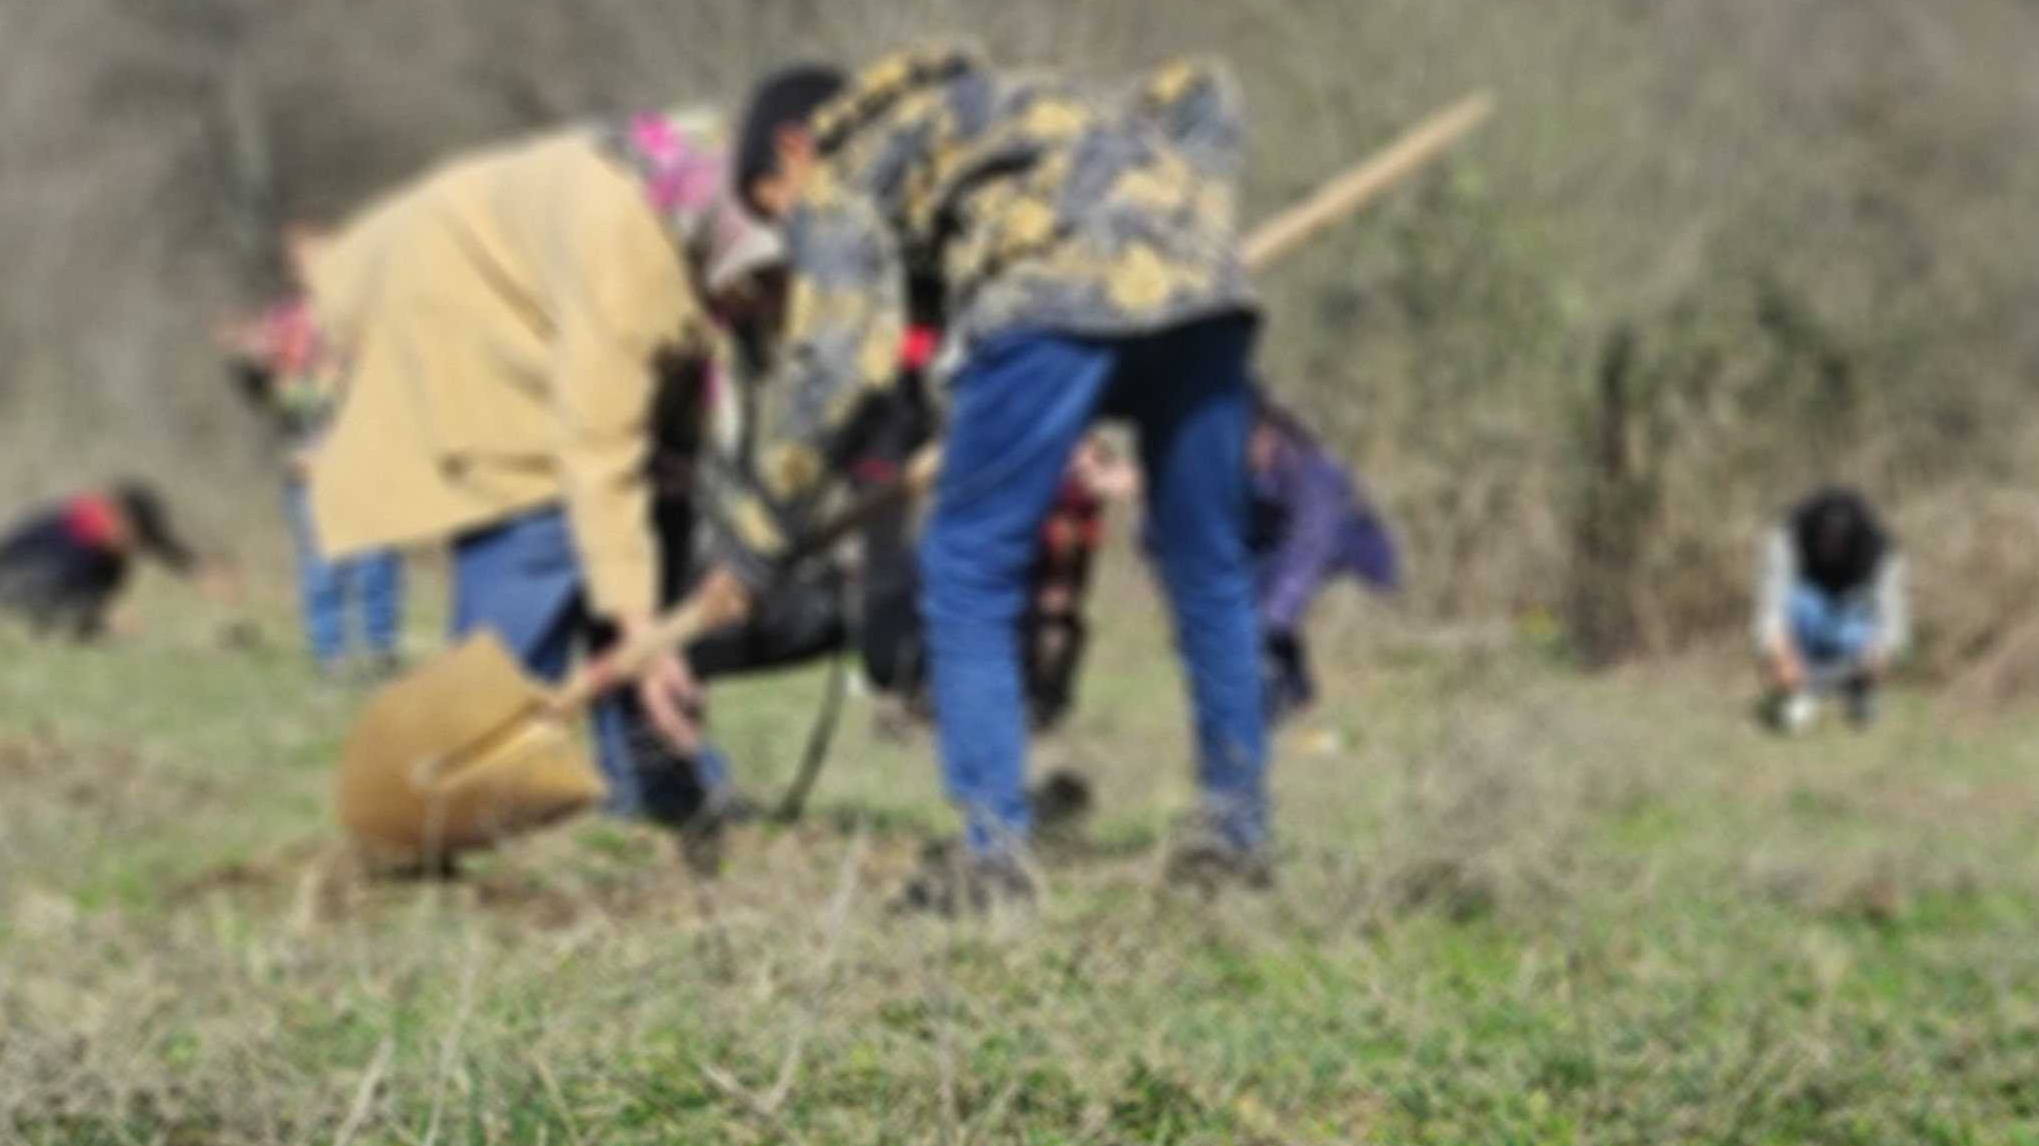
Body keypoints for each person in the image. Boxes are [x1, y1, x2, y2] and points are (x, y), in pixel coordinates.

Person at [718, 49, 1268, 912]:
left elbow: (839, 365)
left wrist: (754, 541)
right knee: (1209, 565)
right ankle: (1238, 838)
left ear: (790, 150)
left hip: (1048, 292)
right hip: (1205, 278)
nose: (790, 238)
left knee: (968, 566)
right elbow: (1199, 87)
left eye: (772, 209)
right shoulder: (1011, 105)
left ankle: (993, 858)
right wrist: (1180, 215)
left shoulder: (838, 174)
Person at [305, 109, 776, 827]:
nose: (767, 301)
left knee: (651, 531)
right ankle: (454, 792)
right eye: (759, 283)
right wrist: (644, 638)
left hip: (557, 327)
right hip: (474, 327)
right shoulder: (627, 261)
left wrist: (677, 483)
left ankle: (650, 784)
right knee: (542, 533)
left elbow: (685, 366)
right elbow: (599, 452)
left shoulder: (716, 200)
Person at [223, 226, 401, 677]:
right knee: (320, 565)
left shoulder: (366, 315)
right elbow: (266, 397)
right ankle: (331, 656)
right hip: (306, 464)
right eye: (304, 257)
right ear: (291, 265)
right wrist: (245, 365)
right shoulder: (279, 322)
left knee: (374, 562)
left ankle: (380, 650)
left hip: (369, 459)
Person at [1248, 397, 1395, 727]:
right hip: (1285, 570)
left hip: (1354, 570)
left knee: (1262, 606)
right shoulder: (1257, 471)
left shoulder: (1309, 473)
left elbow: (1311, 548)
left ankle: (1299, 709)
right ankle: (1285, 705)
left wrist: (1270, 619)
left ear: (1266, 434)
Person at [1755, 486, 1899, 730]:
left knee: (1859, 619)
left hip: (1852, 623)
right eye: (1826, 539)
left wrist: (1881, 651)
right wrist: (1778, 652)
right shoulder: (1788, 538)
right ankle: (1801, 689)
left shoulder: (1879, 550)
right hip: (1807, 621)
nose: (1831, 548)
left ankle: (1858, 688)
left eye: (1839, 541)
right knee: (1803, 602)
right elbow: (1770, 605)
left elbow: (1893, 619)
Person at [0, 482, 188, 636]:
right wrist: (101, 611)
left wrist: (197, 569)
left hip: (54, 583)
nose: (134, 546)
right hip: (10, 579)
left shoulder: (113, 535)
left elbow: (158, 544)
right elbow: (60, 580)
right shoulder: (79, 531)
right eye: (132, 536)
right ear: (118, 519)